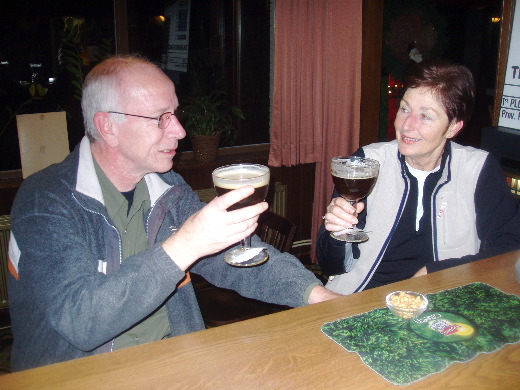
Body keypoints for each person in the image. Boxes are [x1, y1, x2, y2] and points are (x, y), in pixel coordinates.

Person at [7, 55, 340, 371]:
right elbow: (81, 321)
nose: (179, 131)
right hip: (82, 377)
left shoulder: (167, 186)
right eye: (160, 117)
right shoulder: (45, 200)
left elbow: (236, 260)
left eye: (175, 115)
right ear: (107, 126)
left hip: (173, 362)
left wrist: (318, 296)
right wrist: (186, 244)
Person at [317, 60, 520, 295]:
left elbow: (510, 248)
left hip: (445, 297)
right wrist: (337, 234)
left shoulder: (478, 170)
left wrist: (437, 273)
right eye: (404, 109)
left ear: (453, 127)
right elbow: (331, 265)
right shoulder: (368, 163)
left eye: (425, 116)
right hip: (364, 299)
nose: (406, 125)